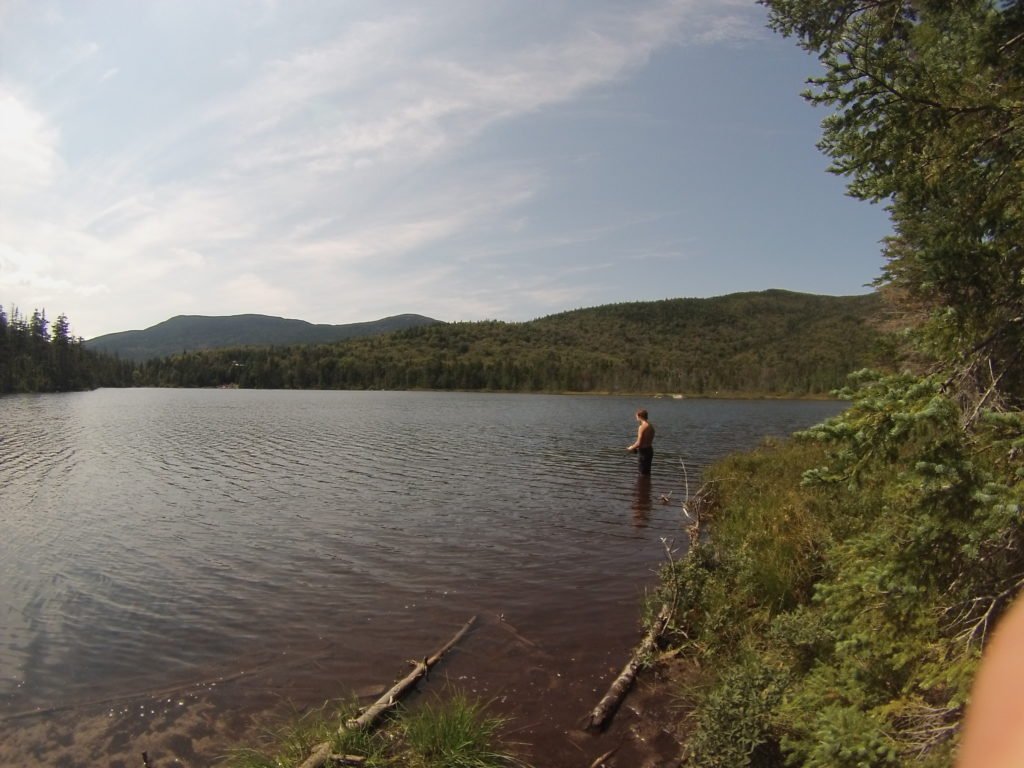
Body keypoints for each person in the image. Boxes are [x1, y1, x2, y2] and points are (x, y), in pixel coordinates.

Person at [626, 408, 655, 475]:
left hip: (643, 452)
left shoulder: (642, 427)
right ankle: (646, 485)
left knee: (642, 473)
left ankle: (642, 485)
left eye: (636, 416)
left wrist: (631, 448)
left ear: (640, 416)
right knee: (647, 472)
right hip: (650, 450)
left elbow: (639, 443)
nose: (636, 418)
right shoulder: (650, 425)